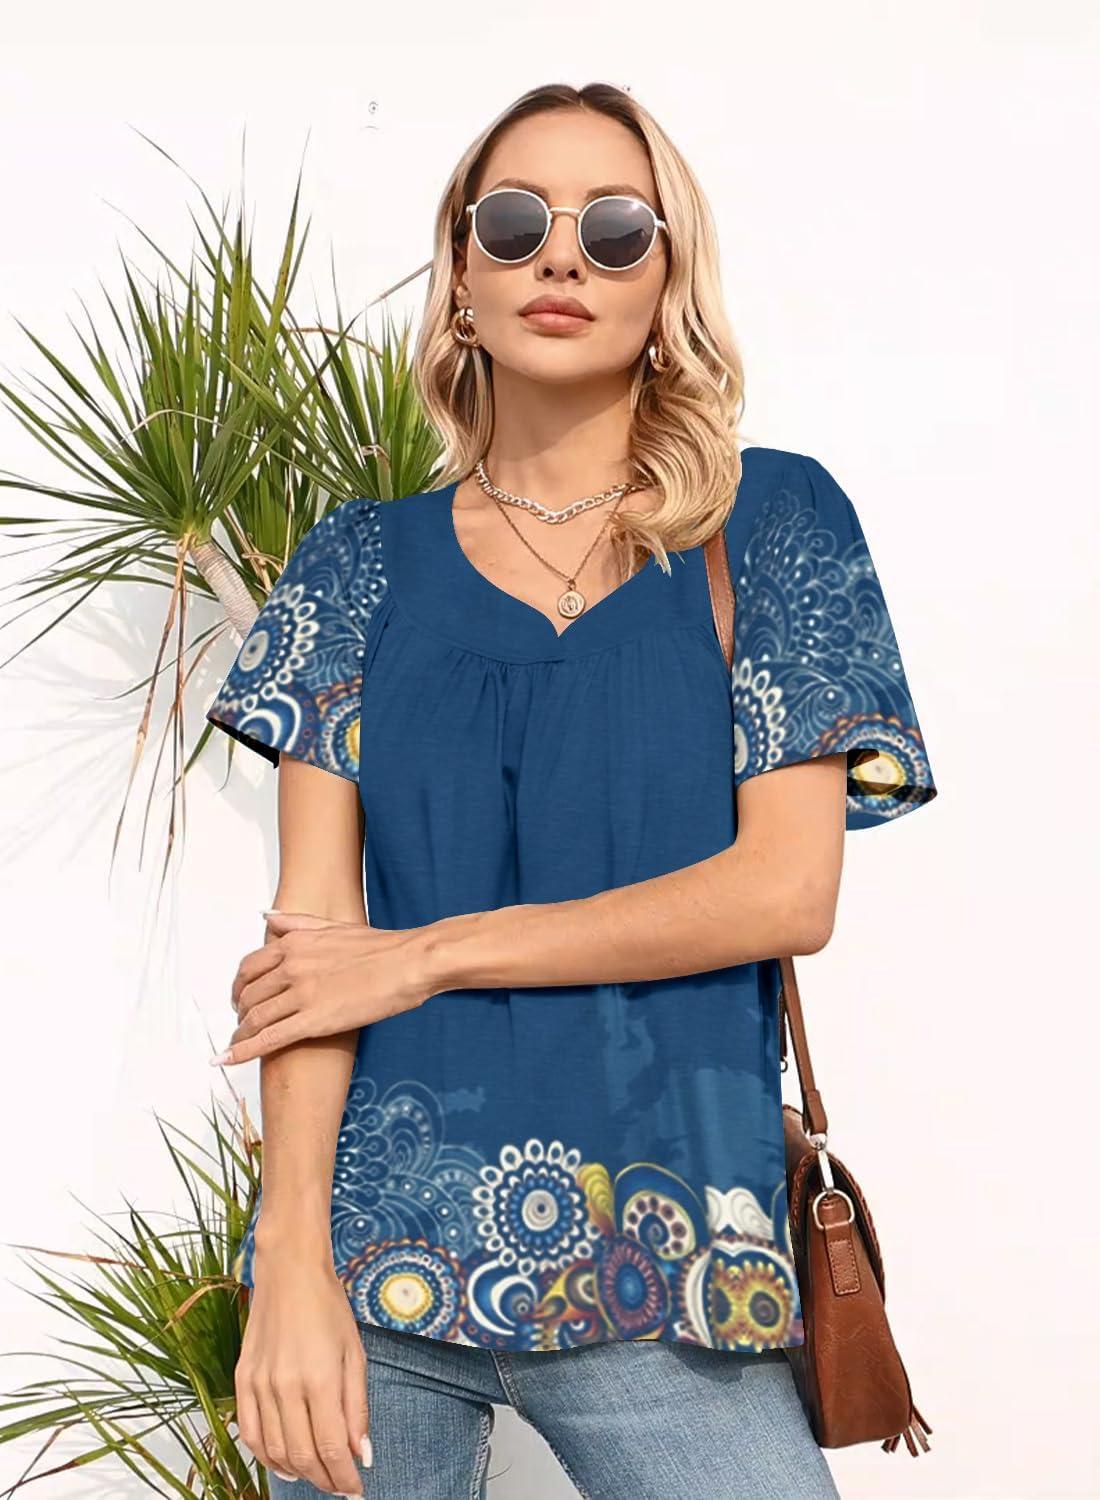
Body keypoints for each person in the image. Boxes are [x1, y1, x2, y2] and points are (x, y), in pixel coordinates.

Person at [204, 81, 938, 1500]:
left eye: (614, 229)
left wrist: (426, 954)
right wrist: (288, 1263)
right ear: (460, 275)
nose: (561, 257)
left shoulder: (773, 524)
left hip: (670, 1262)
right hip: (372, 1265)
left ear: (668, 280)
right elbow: (311, 953)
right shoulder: (355, 562)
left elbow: (785, 893)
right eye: (514, 222)